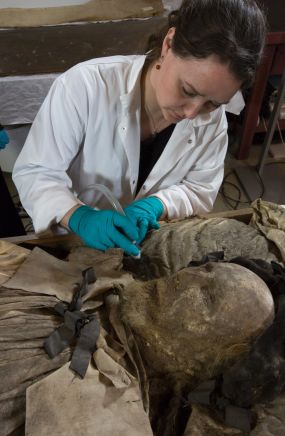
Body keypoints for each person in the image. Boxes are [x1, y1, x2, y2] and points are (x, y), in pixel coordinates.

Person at [12, 0, 266, 257]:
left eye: (212, 103)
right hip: (75, 243)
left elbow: (199, 189)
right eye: (187, 90)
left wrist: (157, 205)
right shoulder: (85, 87)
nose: (191, 113)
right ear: (168, 44)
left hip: (147, 247)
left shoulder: (212, 120)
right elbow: (37, 172)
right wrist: (78, 216)